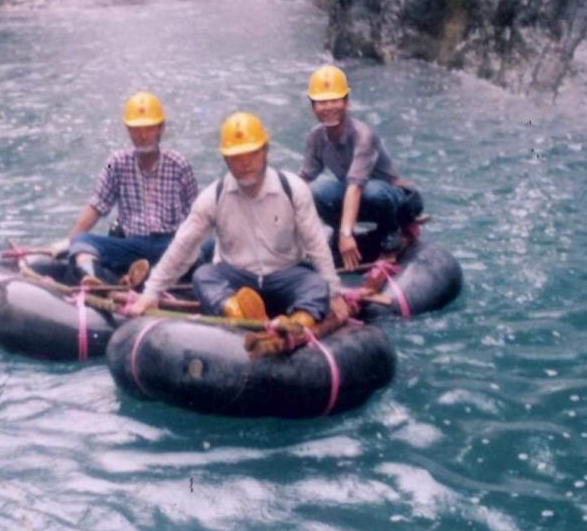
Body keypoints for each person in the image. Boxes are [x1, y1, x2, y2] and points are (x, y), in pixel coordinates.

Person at [126, 112, 349, 331]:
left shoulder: (293, 189)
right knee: (204, 276)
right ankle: (239, 315)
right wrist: (151, 293)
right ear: (225, 160)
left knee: (316, 285)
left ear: (265, 152)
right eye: (236, 157)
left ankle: (294, 326)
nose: (245, 164)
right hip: (237, 277)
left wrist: (334, 292)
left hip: (286, 274)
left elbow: (316, 244)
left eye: (252, 154)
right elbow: (182, 247)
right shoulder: (214, 196)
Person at [49, 92, 198, 287]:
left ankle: (143, 276)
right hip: (132, 244)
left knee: (206, 248)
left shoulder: (179, 164)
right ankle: (98, 282)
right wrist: (68, 241)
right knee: (82, 242)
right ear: (128, 130)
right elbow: (97, 205)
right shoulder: (116, 163)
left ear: (160, 129)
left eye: (149, 129)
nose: (143, 136)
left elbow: (197, 215)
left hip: (170, 245)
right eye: (136, 129)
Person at [299, 64, 423, 269]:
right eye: (321, 102)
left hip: (396, 197)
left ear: (346, 103)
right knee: (314, 191)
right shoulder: (316, 137)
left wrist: (347, 235)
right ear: (313, 106)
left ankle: (390, 239)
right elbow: (303, 179)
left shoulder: (363, 135)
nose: (328, 107)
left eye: (334, 100)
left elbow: (355, 186)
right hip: (359, 197)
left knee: (372, 191)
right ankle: (341, 235)